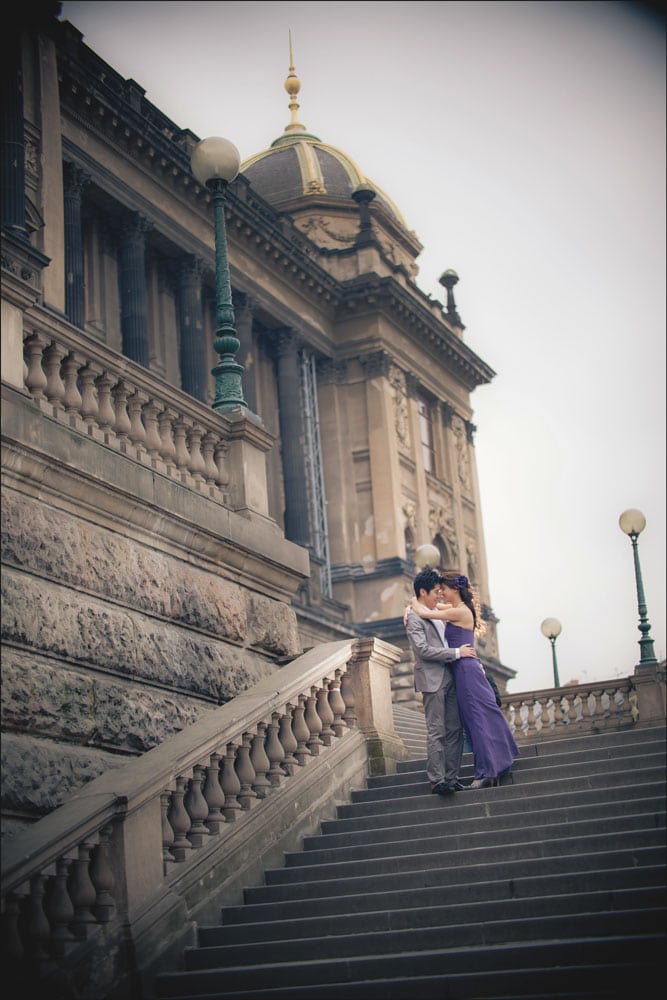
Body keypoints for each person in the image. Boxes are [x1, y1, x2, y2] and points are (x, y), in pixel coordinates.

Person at [409, 572, 519, 789]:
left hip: (466, 671)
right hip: (460, 671)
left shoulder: (459, 612)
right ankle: (490, 767)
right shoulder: (455, 610)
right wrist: (412, 605)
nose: (440, 594)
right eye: (437, 590)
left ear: (455, 590)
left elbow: (424, 611)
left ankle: (486, 772)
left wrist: (413, 603)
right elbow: (428, 610)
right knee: (472, 721)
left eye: (443, 590)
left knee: (476, 720)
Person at [404, 568, 476, 796]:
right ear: (423, 592)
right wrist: (456, 653)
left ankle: (452, 778)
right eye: (436, 592)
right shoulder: (413, 617)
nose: (439, 595)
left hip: (451, 677)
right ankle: (437, 780)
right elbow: (423, 650)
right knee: (437, 731)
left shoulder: (434, 612)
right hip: (432, 679)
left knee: (455, 730)